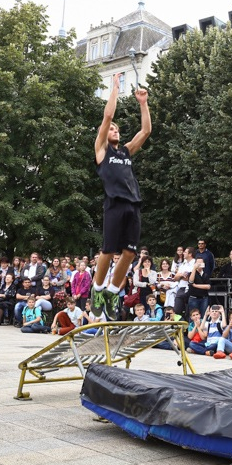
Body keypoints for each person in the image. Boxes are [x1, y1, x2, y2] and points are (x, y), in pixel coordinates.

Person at [92, 72, 151, 321]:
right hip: (114, 204)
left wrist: (143, 103)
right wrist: (115, 88)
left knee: (129, 253)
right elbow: (107, 116)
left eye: (117, 129)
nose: (115, 130)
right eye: (112, 129)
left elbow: (145, 131)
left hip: (133, 205)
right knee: (108, 251)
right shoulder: (102, 151)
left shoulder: (125, 152)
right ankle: (97, 290)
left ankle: (112, 292)